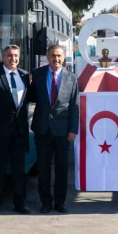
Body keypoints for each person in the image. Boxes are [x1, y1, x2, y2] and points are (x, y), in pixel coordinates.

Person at [27, 45, 79, 214]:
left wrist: (73, 129)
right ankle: (46, 202)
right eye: (52, 56)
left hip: (63, 131)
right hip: (42, 130)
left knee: (62, 168)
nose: (56, 59)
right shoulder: (37, 75)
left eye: (59, 56)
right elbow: (31, 97)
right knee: (43, 168)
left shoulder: (72, 78)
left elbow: (75, 106)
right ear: (47, 57)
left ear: (63, 58)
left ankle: (60, 202)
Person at [0, 45, 30, 215]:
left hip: (20, 133)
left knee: (19, 170)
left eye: (16, 56)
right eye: (9, 56)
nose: (13, 59)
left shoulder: (25, 76)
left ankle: (20, 204)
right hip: (0, 133)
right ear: (3, 57)